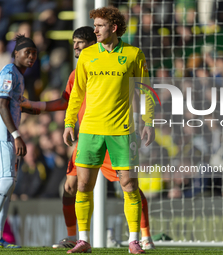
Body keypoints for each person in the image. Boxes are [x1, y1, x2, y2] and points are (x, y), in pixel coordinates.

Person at [20, 26, 155, 251]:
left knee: (130, 187)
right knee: (71, 187)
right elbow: (67, 100)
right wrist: (37, 107)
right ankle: (75, 237)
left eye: (79, 43)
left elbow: (141, 90)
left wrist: (143, 119)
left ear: (93, 43)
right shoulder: (79, 70)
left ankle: (144, 236)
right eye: (73, 43)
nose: (75, 47)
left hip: (115, 134)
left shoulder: (122, 60)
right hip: (88, 136)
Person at [63, 7, 154, 254]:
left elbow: (145, 90)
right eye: (95, 26)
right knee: (83, 186)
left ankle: (134, 240)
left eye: (100, 25)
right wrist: (69, 123)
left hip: (122, 131)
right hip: (90, 130)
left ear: (114, 28)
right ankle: (83, 240)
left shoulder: (134, 55)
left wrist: (148, 121)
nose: (95, 30)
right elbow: (77, 94)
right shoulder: (87, 55)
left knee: (130, 185)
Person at [0, 34, 38, 249]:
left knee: (9, 185)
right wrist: (16, 135)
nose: (31, 57)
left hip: (8, 133)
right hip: (3, 133)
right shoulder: (9, 73)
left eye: (34, 53)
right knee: (7, 182)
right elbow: (2, 105)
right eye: (27, 52)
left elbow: (13, 104)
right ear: (16, 54)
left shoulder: (18, 76)